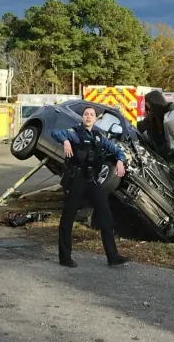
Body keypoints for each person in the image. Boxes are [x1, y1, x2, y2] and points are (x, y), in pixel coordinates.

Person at [50, 106, 130, 268]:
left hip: (92, 180)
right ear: (82, 117)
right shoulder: (74, 132)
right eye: (86, 114)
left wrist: (120, 160)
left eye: (91, 115)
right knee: (68, 217)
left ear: (95, 119)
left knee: (105, 216)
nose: (88, 117)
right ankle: (65, 257)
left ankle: (112, 256)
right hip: (76, 179)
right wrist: (65, 141)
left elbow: (117, 151)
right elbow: (55, 133)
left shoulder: (99, 137)